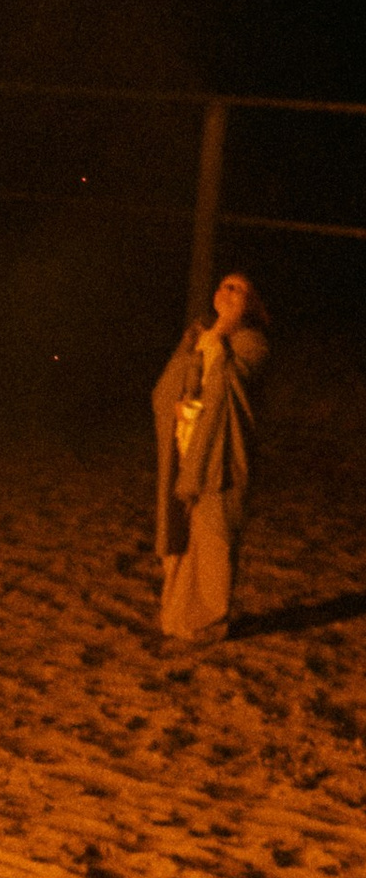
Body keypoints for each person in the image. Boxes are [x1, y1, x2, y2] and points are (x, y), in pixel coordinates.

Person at [154, 272, 269, 644]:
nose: (228, 291)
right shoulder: (201, 334)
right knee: (184, 535)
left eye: (239, 288)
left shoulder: (251, 342)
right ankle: (176, 617)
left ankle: (206, 622)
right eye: (223, 285)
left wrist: (222, 335)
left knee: (214, 538)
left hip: (223, 452)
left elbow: (231, 388)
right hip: (190, 445)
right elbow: (172, 383)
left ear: (251, 303)